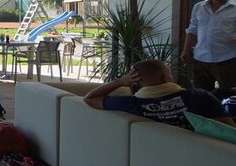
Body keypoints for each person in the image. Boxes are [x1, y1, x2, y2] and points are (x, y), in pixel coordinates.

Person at [83, 59, 235, 130]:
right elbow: (229, 130)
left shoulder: (131, 104)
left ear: (135, 81)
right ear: (165, 77)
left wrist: (120, 82)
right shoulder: (200, 97)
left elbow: (90, 98)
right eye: (169, 72)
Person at [180, 0, 236, 93]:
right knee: (201, 95)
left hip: (227, 59)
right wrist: (185, 51)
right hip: (200, 59)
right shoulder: (199, 7)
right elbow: (192, 30)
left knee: (229, 95)